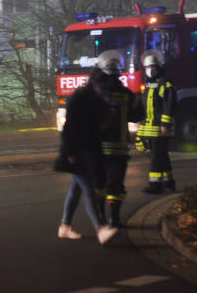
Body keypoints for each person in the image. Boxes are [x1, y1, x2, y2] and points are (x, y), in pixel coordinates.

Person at [56, 68, 118, 245]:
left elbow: (95, 128)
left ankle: (65, 227)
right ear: (94, 83)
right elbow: (69, 129)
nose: (103, 90)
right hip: (78, 152)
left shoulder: (94, 99)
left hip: (87, 152)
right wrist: (70, 153)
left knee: (76, 190)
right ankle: (100, 228)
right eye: (102, 86)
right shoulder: (80, 99)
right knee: (88, 190)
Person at [97, 50, 143, 229]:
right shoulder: (126, 94)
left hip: (99, 148)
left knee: (99, 185)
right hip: (119, 148)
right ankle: (114, 218)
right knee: (115, 186)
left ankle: (100, 218)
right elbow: (137, 114)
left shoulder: (96, 94)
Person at [137, 51, 177, 194]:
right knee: (162, 155)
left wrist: (165, 125)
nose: (151, 69)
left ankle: (154, 185)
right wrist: (140, 133)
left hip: (160, 129)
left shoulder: (164, 84)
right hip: (150, 128)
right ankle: (168, 182)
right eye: (148, 67)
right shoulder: (148, 86)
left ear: (159, 67)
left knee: (156, 156)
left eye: (153, 66)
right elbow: (145, 110)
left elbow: (169, 105)